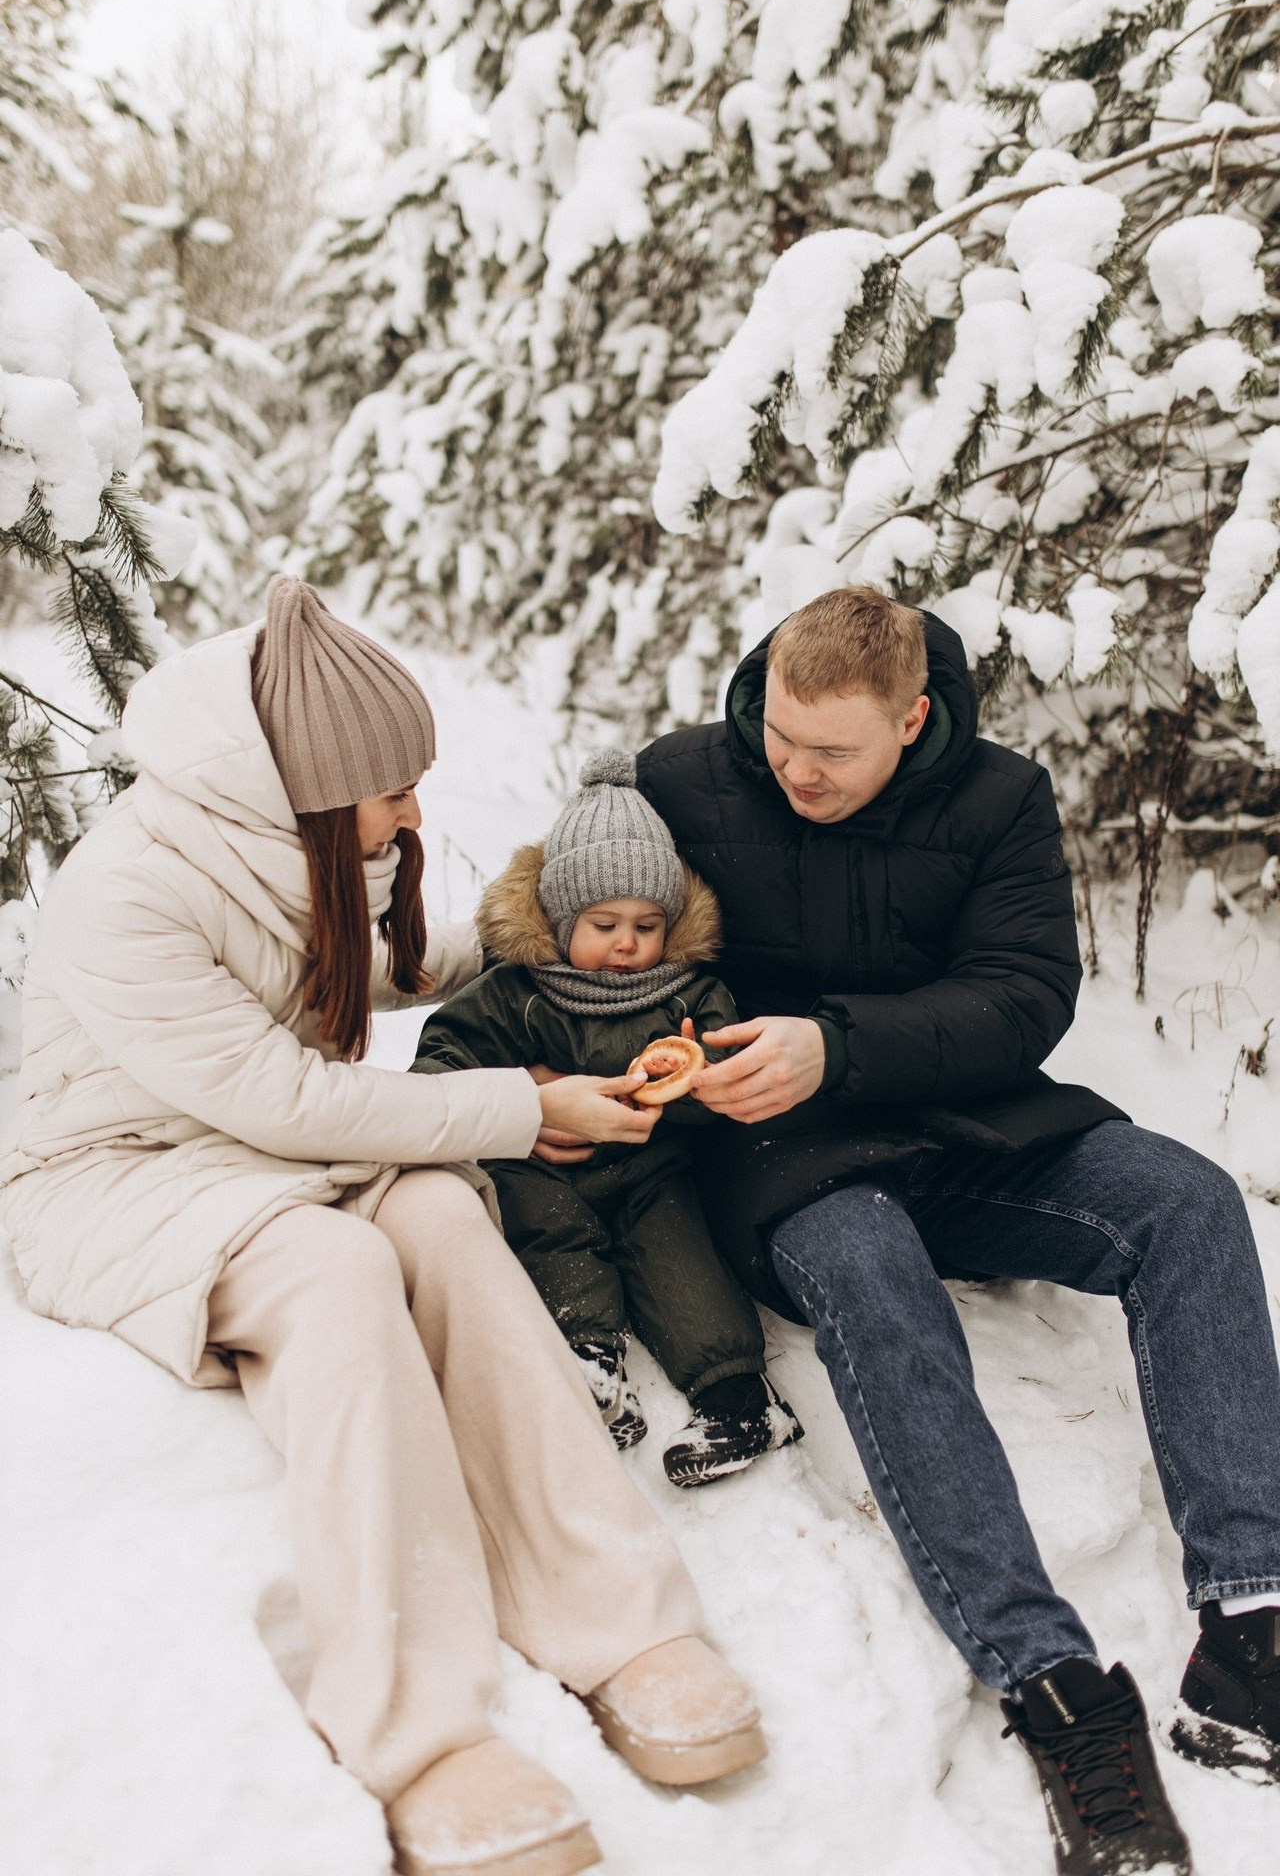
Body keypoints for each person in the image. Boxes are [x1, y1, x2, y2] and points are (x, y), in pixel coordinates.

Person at [0, 577, 768, 1876]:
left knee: (446, 1220)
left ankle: (618, 1616)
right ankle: (415, 1729)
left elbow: (371, 975)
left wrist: (537, 943)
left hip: (258, 1151)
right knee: (340, 1269)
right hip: (117, 1177)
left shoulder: (291, 844)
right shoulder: (129, 890)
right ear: (306, 787)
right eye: (395, 789)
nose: (414, 813)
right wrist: (521, 1106)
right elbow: (279, 1092)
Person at [603, 582, 1280, 1876]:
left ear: (913, 721)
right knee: (871, 1272)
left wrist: (840, 1046)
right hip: (778, 1149)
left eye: (831, 749)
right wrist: (678, 1054)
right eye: (778, 736)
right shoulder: (680, 781)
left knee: (1188, 1201)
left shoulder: (999, 797)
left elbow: (1024, 996)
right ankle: (1048, 1681)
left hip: (963, 1116)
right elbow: (591, 952)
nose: (794, 768)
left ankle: (1252, 1620)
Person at [411, 747, 802, 1485]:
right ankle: (591, 1366)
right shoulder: (518, 990)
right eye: (604, 923)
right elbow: (440, 1063)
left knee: (680, 1260)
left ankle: (740, 1401)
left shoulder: (690, 996)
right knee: (545, 1233)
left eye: (647, 925)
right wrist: (517, 1096)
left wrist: (694, 1082)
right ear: (561, 921)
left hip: (652, 1168)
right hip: (544, 1166)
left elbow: (726, 1076)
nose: (627, 943)